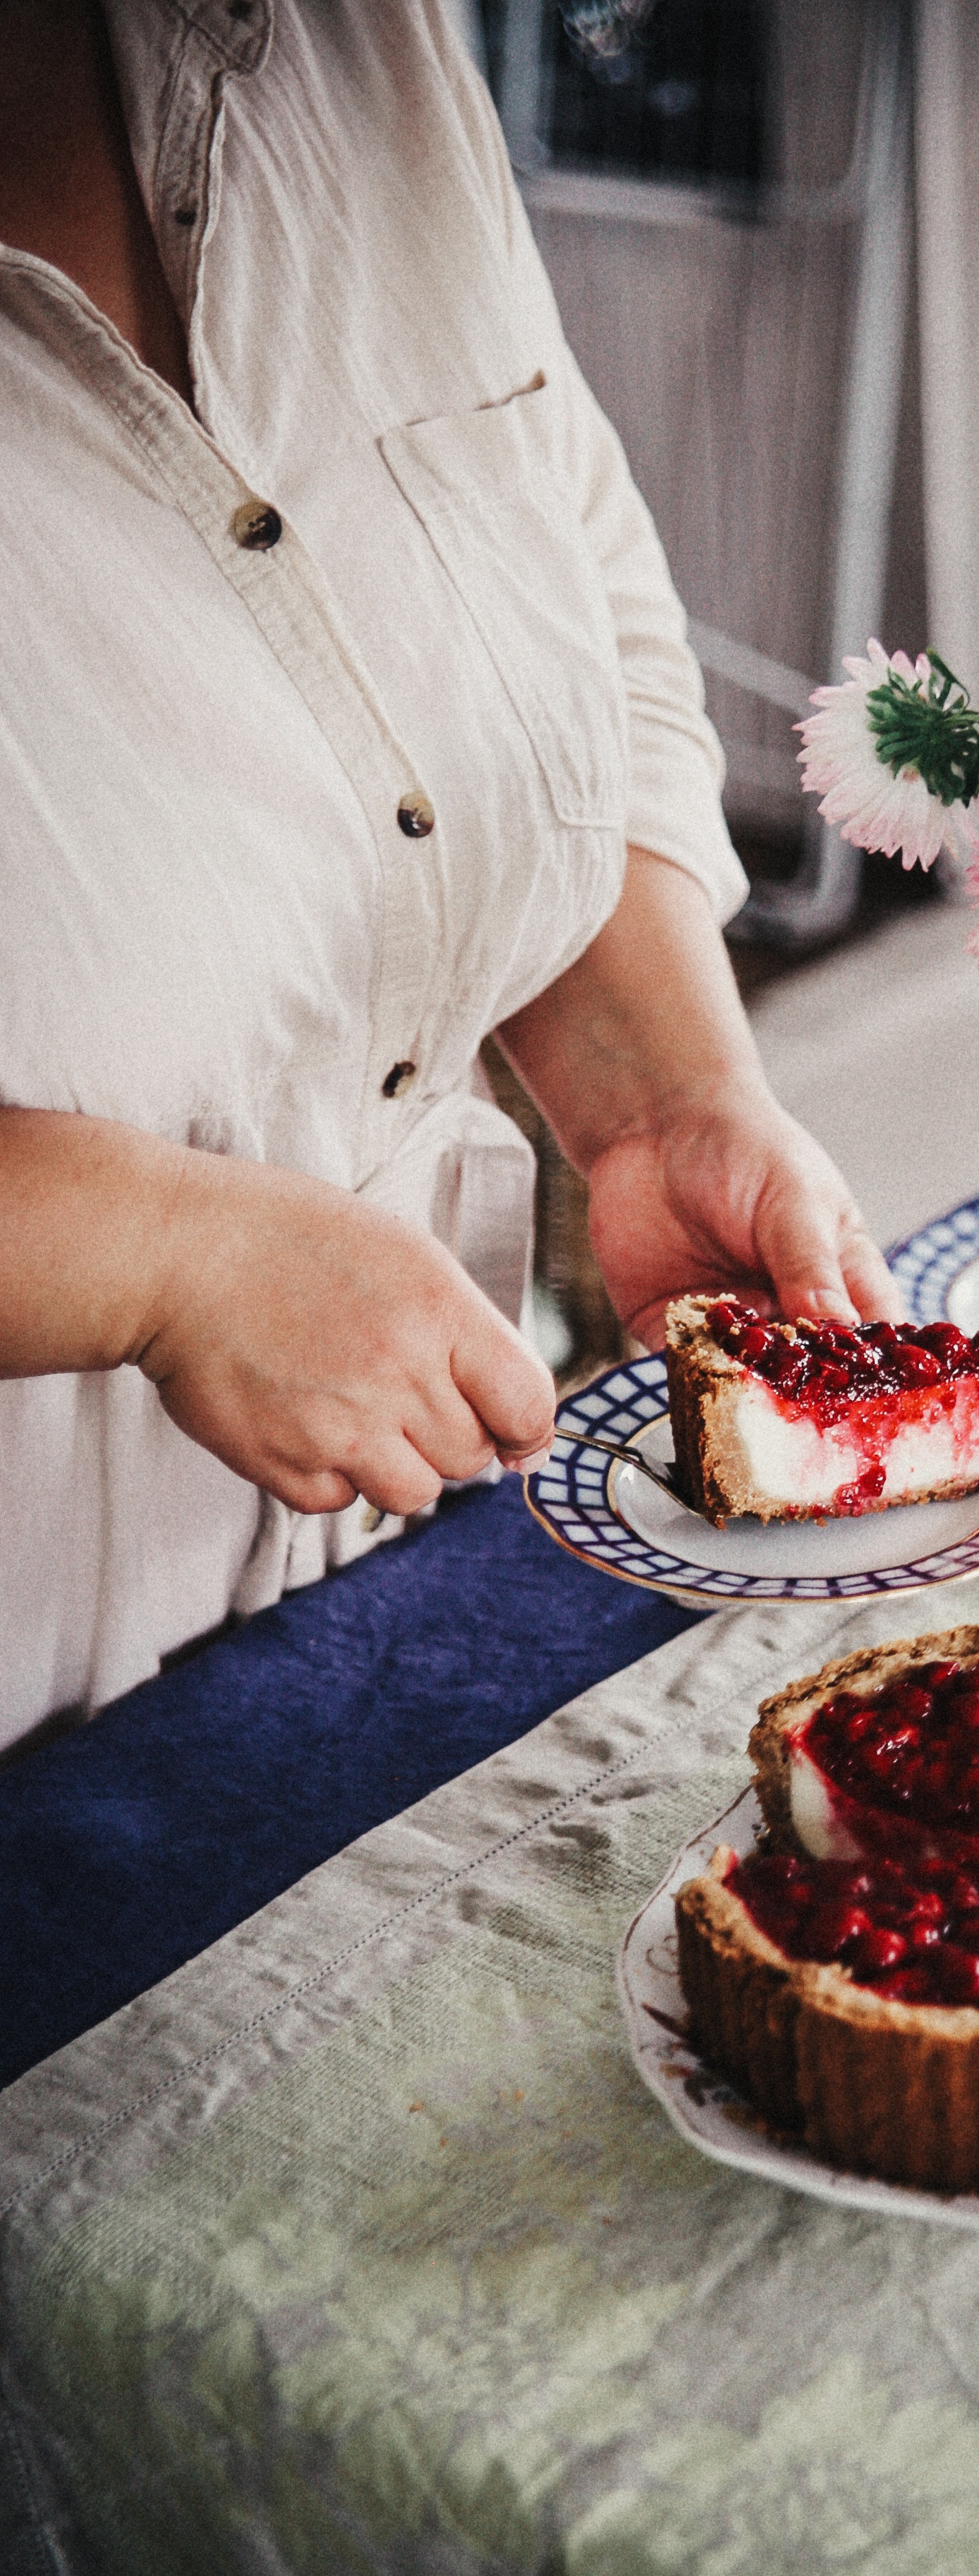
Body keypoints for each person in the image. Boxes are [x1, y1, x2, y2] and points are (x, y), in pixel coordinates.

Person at [0, 0, 900, 1751]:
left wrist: (662, 1094)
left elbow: (559, 549)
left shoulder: (359, 34)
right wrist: (159, 1260)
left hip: (380, 1594)